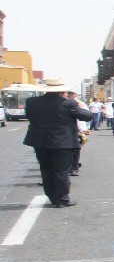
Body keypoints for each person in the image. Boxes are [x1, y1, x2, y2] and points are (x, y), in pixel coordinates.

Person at [23, 78, 93, 208]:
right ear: (62, 91)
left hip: (40, 141)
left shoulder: (31, 102)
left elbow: (30, 117)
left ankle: (52, 197)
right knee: (61, 171)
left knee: (46, 169)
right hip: (62, 142)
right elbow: (87, 116)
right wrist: (75, 104)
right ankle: (62, 199)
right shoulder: (68, 103)